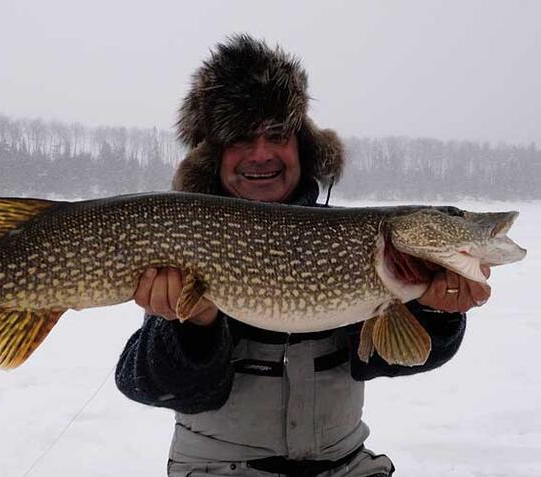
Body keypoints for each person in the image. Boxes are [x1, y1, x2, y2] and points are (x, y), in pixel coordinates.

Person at [115, 35, 491, 477]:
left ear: (302, 147)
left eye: (277, 134)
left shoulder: (347, 241)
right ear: (214, 157)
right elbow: (146, 382)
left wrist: (435, 312)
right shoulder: (191, 235)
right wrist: (193, 327)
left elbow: (383, 357)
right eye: (239, 138)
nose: (261, 154)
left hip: (344, 464)